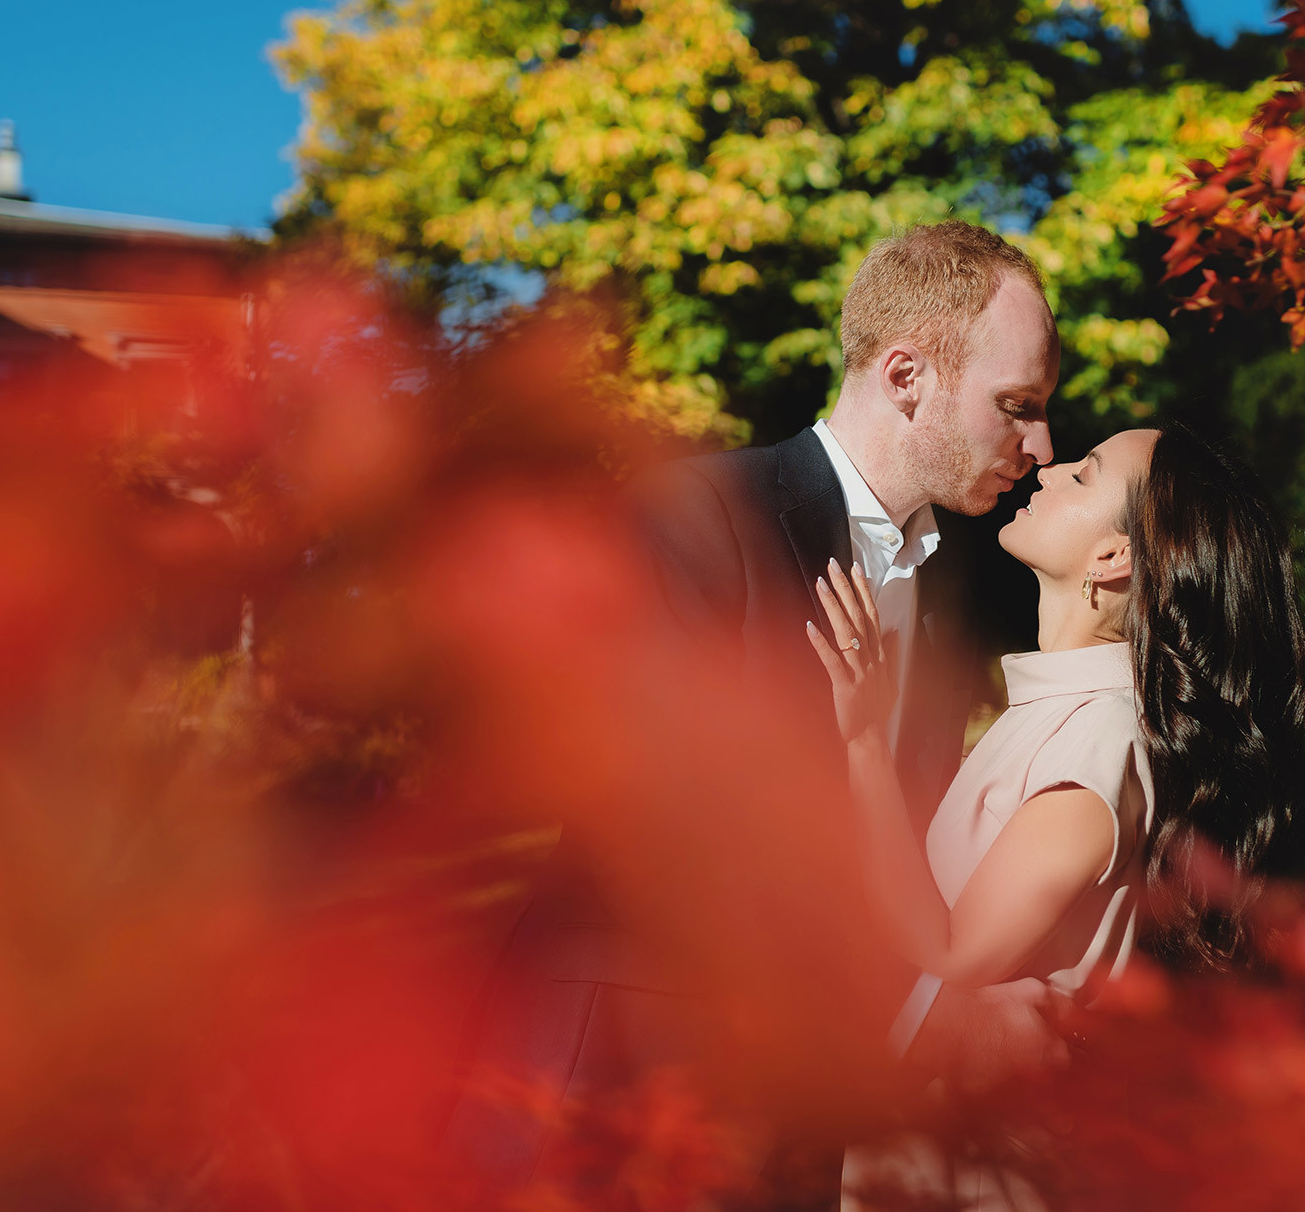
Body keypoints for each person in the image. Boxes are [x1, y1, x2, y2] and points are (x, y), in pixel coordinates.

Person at [448, 221, 1068, 1197]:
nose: (1039, 446)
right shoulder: (697, 513)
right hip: (624, 1076)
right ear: (906, 377)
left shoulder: (951, 590)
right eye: (1016, 406)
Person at [809, 422, 1305, 1211]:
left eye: (1085, 476)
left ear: (1112, 557)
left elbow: (950, 949)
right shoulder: (1067, 718)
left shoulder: (1096, 742)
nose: (1050, 469)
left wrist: (860, 739)